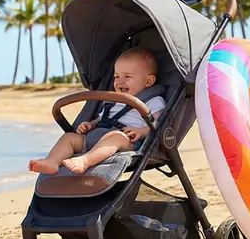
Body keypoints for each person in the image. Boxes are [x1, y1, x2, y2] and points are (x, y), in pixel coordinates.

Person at [28, 47, 165, 176]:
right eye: (116, 76)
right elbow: (102, 117)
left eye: (127, 77)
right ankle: (52, 161)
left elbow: (158, 123)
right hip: (98, 135)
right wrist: (91, 124)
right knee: (69, 138)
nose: (119, 81)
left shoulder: (153, 101)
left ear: (148, 81)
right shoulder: (114, 100)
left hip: (127, 141)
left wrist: (141, 131)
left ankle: (85, 161)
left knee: (115, 136)